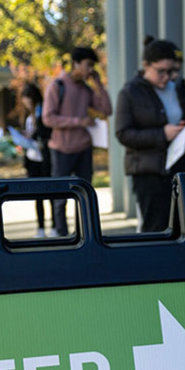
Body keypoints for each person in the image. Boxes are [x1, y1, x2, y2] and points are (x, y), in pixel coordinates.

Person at [115, 36, 185, 233]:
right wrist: (162, 134)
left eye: (172, 71)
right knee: (155, 230)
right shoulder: (130, 93)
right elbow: (123, 134)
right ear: (145, 65)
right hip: (150, 173)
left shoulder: (179, 88)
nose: (167, 77)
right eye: (161, 71)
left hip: (181, 169)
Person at [43, 47, 112, 237]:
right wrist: (77, 122)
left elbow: (106, 109)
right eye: (88, 65)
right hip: (62, 148)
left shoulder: (86, 89)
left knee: (84, 194)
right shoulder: (57, 85)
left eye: (93, 66)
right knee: (60, 195)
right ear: (76, 63)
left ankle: (85, 234)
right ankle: (62, 234)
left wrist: (98, 83)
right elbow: (48, 118)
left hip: (84, 147)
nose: (91, 69)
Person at [18, 82, 54, 238]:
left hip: (45, 158)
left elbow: (45, 132)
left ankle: (54, 225)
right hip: (32, 158)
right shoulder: (28, 116)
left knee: (51, 193)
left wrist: (32, 135)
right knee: (37, 194)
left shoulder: (43, 112)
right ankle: (40, 227)